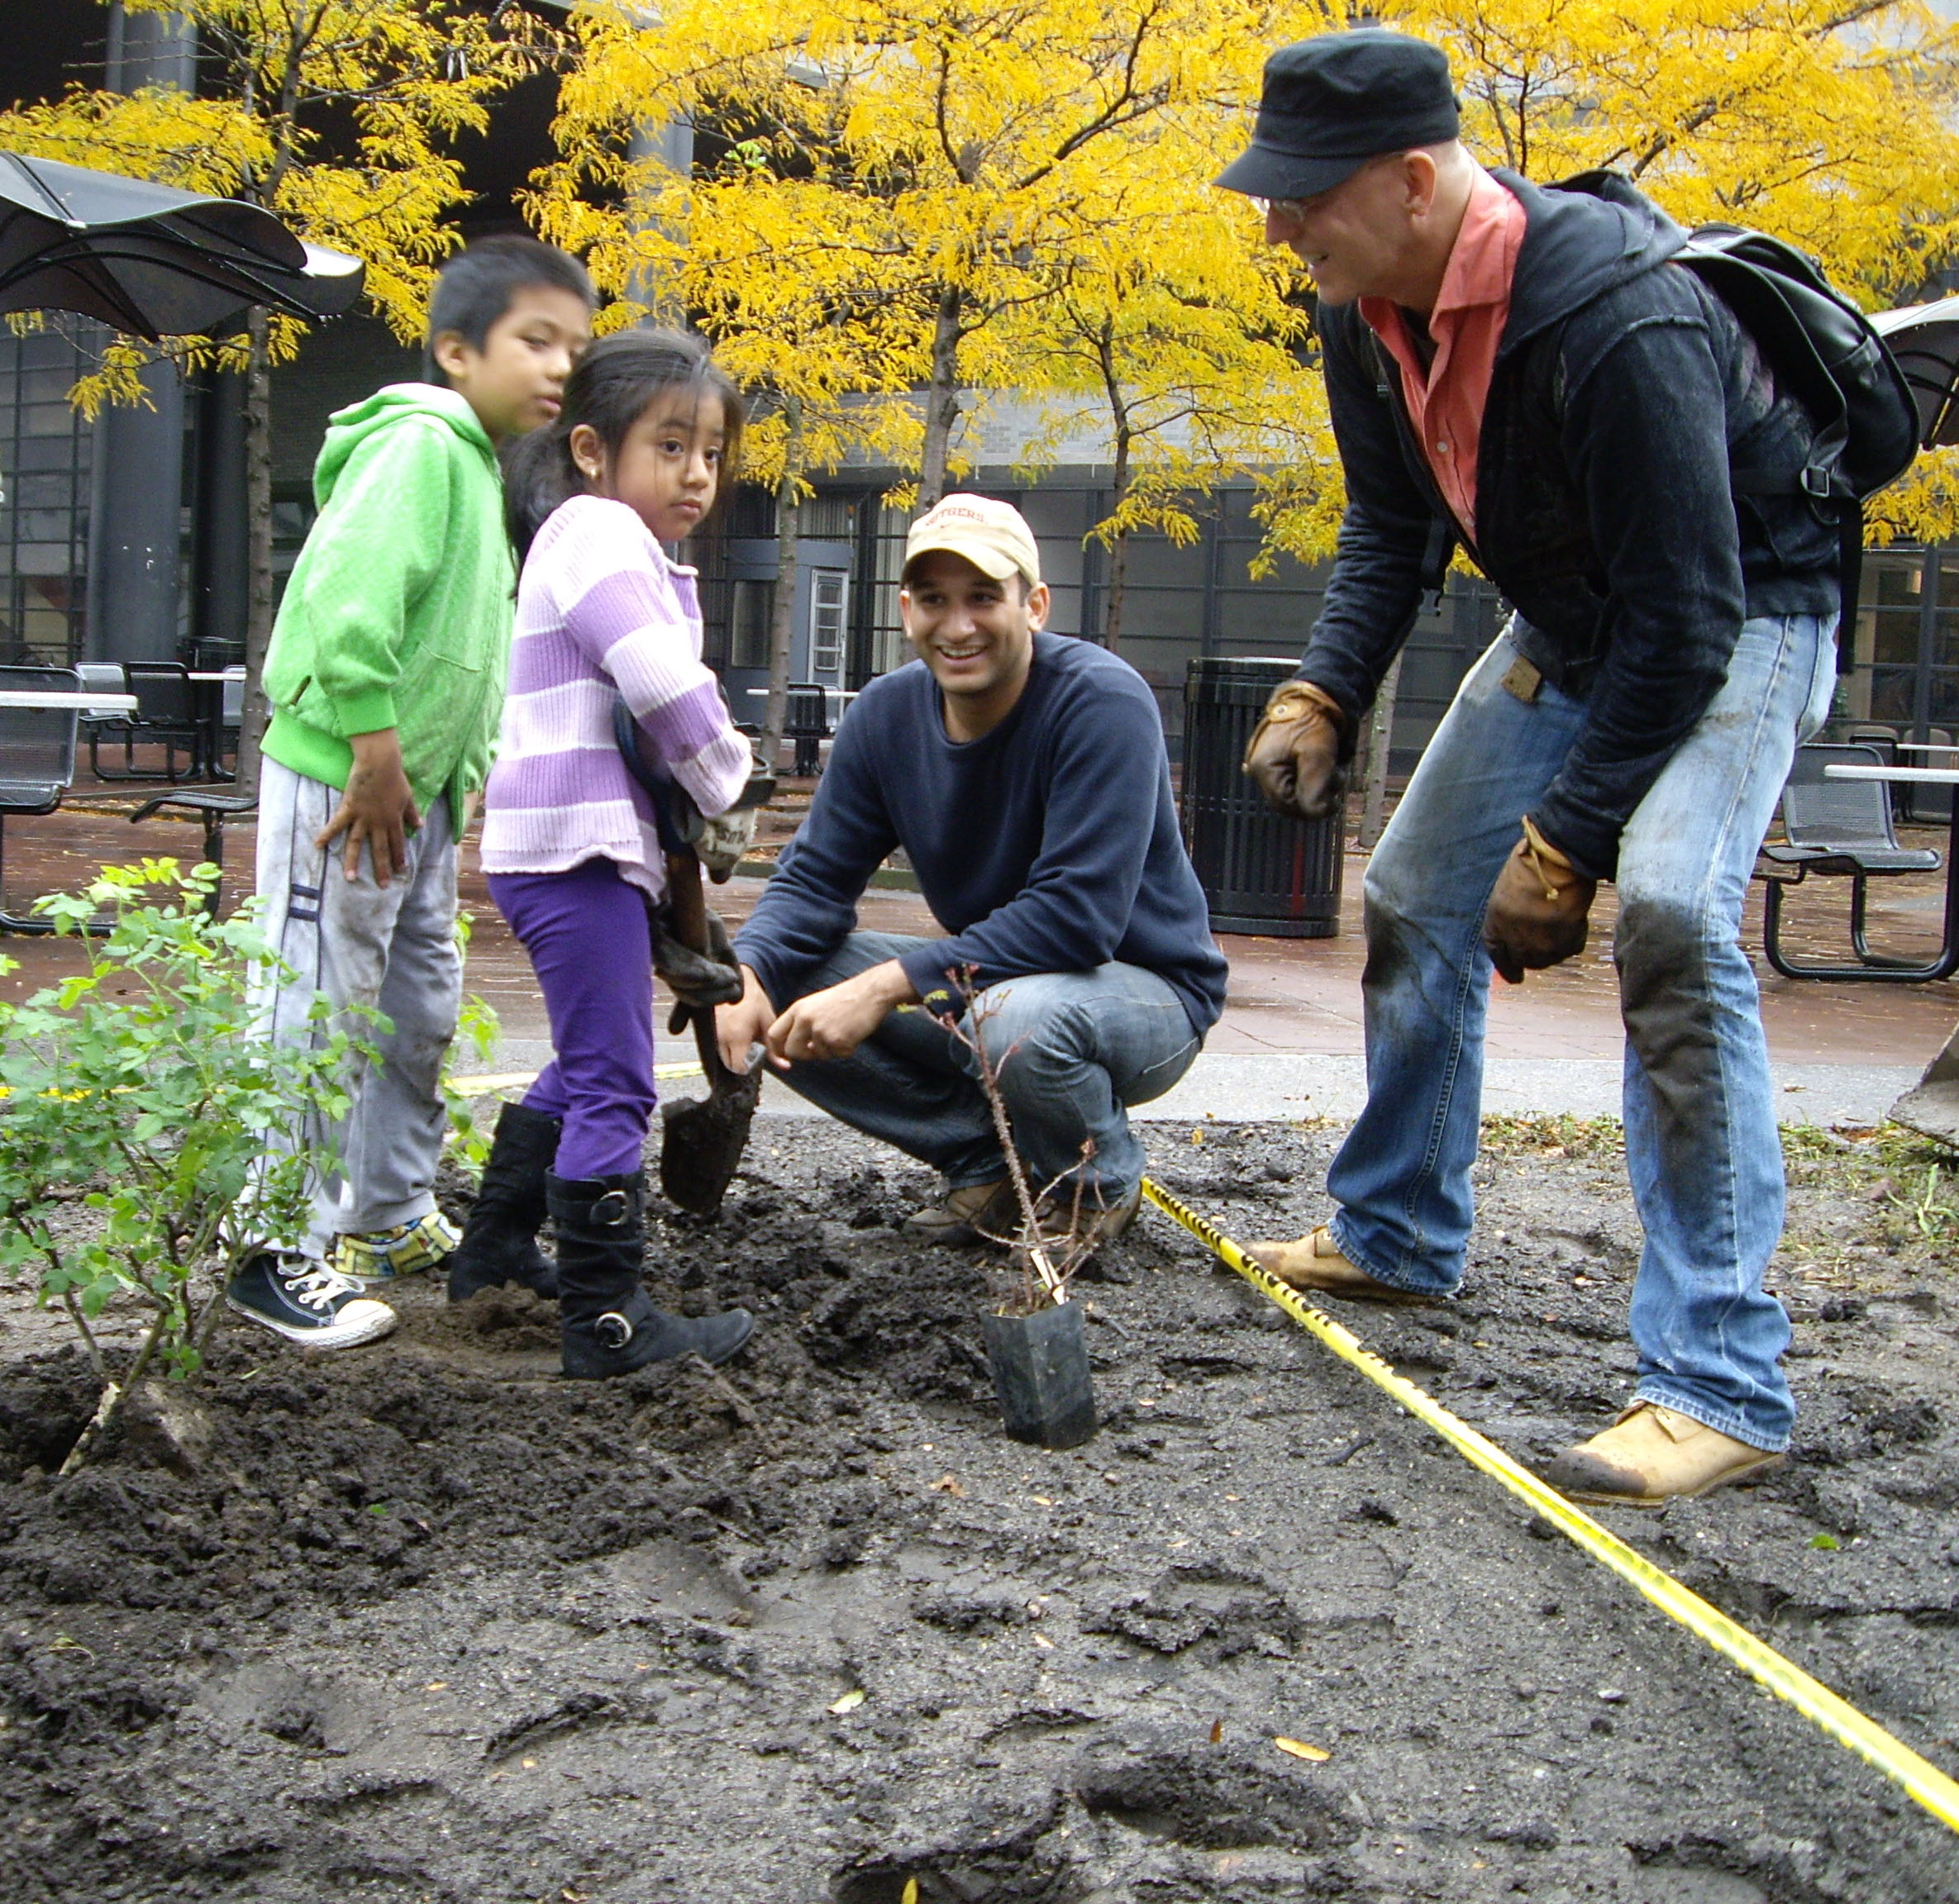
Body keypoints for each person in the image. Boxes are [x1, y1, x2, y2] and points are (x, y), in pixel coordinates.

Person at [1216, 31, 1842, 1505]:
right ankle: (1398, 1230)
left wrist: (1569, 842)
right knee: (1420, 886)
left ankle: (1722, 1379)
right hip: (1580, 614)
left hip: (1747, 614)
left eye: (1303, 195)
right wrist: (1325, 685)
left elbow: (1689, 619)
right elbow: (1391, 528)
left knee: (1679, 924)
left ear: (1417, 180)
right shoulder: (1365, 309)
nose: (1275, 226)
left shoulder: (1617, 317)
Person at [230, 236, 595, 1351]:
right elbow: (347, 604)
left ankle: (383, 1217)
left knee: (413, 1008)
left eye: (573, 350)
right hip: (351, 778)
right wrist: (376, 751)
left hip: (418, 793)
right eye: (534, 340)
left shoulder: (481, 469)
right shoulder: (424, 447)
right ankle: (268, 1247)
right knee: (315, 1004)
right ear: (455, 349)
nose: (556, 368)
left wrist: (446, 782)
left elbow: (461, 651)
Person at [715, 494, 1228, 1246]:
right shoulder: (885, 717)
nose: (957, 627)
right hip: (995, 988)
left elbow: (1075, 920)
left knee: (1018, 1019)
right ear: (906, 609)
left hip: (1146, 996)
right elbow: (814, 881)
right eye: (934, 601)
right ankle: (983, 1166)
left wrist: (883, 988)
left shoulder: (1102, 702)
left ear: (1036, 605)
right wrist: (749, 975)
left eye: (984, 598)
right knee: (786, 974)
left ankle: (1094, 1185)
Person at [467, 330, 756, 1378]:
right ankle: (606, 1318)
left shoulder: (611, 542)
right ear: (592, 451)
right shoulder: (593, 531)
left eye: (712, 453)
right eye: (670, 446)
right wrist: (731, 786)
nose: (696, 474)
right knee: (617, 1084)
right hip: (570, 850)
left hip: (578, 848)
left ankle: (494, 1249)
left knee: (590, 1060)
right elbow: (660, 682)